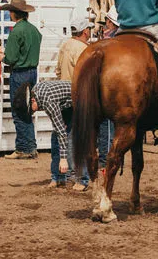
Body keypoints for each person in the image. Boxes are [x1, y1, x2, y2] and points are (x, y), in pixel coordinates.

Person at [0, 0, 42, 160]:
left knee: (19, 110)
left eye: (10, 12)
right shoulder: (34, 30)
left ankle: (24, 148)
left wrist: (1, 56)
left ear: (14, 13)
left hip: (20, 74)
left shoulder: (16, 31)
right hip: (32, 72)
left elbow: (11, 58)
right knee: (27, 109)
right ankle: (30, 146)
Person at [49, 17, 94, 190]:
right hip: (79, 95)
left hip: (62, 94)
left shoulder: (65, 45)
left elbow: (58, 70)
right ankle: (81, 178)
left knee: (60, 133)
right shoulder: (85, 49)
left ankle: (59, 176)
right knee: (78, 136)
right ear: (85, 32)